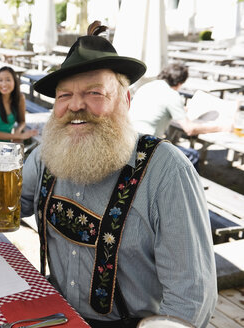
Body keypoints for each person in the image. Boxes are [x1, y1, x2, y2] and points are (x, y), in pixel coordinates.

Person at [20, 22, 217, 328]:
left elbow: (189, 298)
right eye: (64, 95)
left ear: (125, 102)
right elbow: (6, 209)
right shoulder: (46, 155)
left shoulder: (166, 171)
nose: (75, 105)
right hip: (56, 314)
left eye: (94, 93)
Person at [129, 62, 232, 170]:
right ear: (180, 83)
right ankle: (189, 186)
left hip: (131, 140)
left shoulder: (146, 86)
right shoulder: (171, 95)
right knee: (192, 155)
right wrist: (222, 127)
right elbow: (190, 129)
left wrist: (180, 110)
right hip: (147, 147)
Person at [0, 66, 38, 147]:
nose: (4, 84)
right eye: (0, 80)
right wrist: (18, 136)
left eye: (8, 80)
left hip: (7, 145)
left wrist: (17, 131)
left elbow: (22, 122)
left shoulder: (20, 98)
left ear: (15, 82)